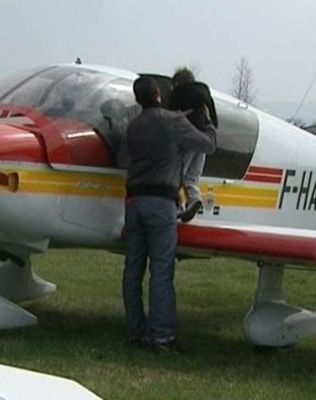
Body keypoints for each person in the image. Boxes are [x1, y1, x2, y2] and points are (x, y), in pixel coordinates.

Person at [123, 76, 216, 351]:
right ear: (158, 94)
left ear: (139, 99)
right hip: (161, 203)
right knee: (161, 271)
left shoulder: (133, 126)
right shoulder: (173, 122)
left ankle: (136, 331)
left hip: (133, 202)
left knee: (132, 270)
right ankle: (162, 336)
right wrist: (208, 122)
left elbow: (123, 159)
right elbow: (207, 145)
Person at [167, 67, 218, 223]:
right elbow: (214, 120)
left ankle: (176, 206)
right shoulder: (203, 97)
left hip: (186, 140)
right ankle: (194, 199)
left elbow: (170, 115)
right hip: (203, 137)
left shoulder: (180, 96)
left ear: (177, 83)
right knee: (193, 176)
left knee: (177, 174)